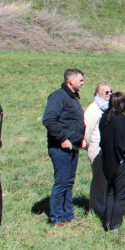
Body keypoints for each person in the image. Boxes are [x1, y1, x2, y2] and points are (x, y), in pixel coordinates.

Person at [42, 69, 86, 227]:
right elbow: (48, 120)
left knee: (69, 182)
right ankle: (56, 218)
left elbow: (72, 120)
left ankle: (68, 215)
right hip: (60, 148)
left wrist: (80, 139)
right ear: (70, 81)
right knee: (61, 182)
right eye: (80, 80)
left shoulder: (72, 96)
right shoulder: (59, 96)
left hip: (73, 146)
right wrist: (62, 139)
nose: (83, 82)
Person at [100, 91, 125, 231]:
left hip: (107, 161)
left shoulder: (105, 118)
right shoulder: (121, 120)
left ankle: (108, 222)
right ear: (123, 104)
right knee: (121, 195)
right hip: (121, 162)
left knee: (110, 193)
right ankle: (115, 226)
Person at [83, 82, 112, 219]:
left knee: (106, 180)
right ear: (98, 93)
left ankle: (105, 205)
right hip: (96, 147)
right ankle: (95, 209)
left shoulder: (108, 108)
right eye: (106, 92)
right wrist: (90, 146)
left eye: (111, 91)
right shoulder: (93, 109)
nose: (110, 94)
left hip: (107, 148)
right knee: (99, 180)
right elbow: (86, 131)